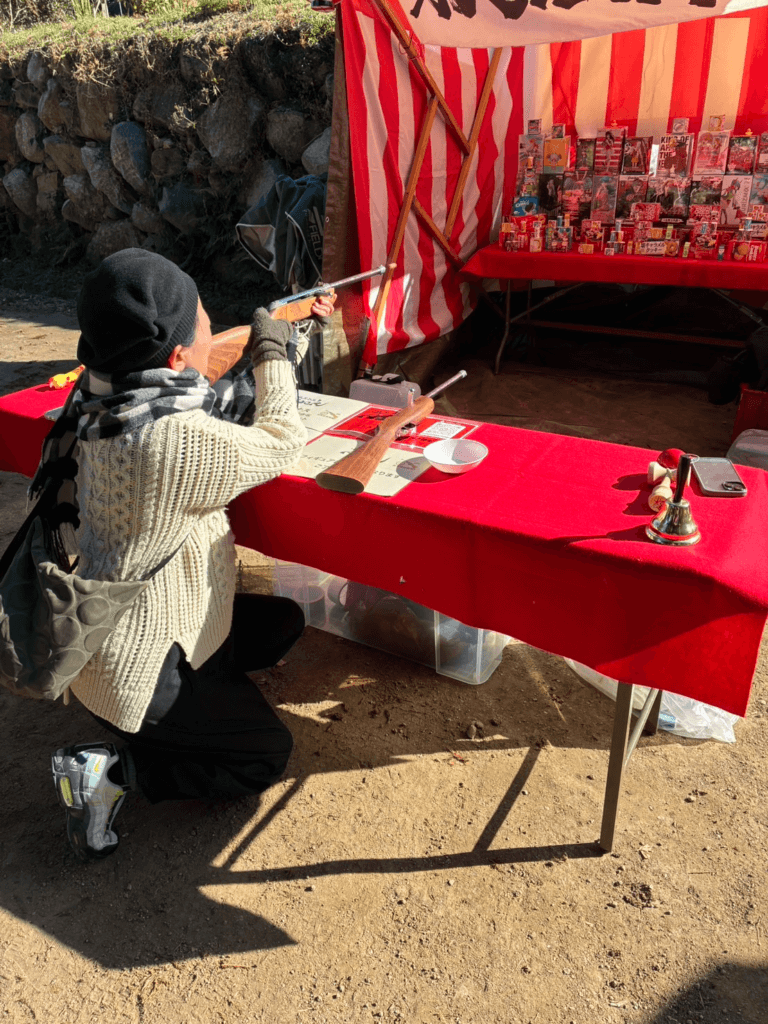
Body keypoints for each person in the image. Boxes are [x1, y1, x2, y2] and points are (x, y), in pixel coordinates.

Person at [38, 248, 333, 862]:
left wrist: (291, 330)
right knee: (264, 758)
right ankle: (115, 770)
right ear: (175, 356)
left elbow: (217, 397)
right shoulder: (171, 441)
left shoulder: (105, 390)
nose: (210, 328)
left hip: (128, 618)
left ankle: (191, 710)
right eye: (203, 321)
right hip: (132, 666)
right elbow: (279, 439)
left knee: (283, 624)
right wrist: (272, 350)